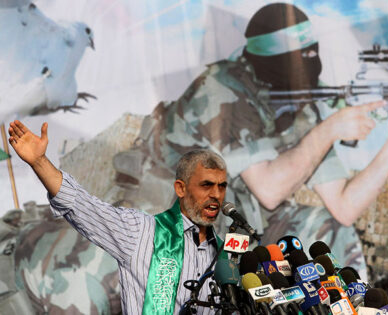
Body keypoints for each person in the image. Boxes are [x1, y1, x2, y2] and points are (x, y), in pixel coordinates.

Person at [109, 2, 388, 277]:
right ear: (272, 58)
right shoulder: (221, 89)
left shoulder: (299, 101)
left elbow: (344, 207)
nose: (310, 61)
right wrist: (330, 129)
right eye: (300, 56)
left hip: (238, 224)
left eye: (313, 52)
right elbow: (269, 190)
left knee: (332, 231)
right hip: (172, 222)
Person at [8, 119, 228, 314]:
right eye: (206, 185)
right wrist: (39, 162)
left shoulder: (223, 253)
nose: (216, 195)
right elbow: (82, 206)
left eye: (222, 187)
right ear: (180, 189)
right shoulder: (142, 231)